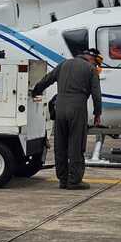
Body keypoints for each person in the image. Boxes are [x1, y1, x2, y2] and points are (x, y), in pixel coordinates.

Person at [32, 49, 103, 190]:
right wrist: (97, 114)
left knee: (61, 145)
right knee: (76, 145)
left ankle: (63, 180)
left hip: (60, 108)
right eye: (96, 63)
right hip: (77, 109)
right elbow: (96, 95)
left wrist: (35, 91)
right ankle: (74, 181)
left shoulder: (63, 64)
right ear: (91, 58)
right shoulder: (90, 69)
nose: (96, 66)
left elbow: (47, 79)